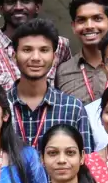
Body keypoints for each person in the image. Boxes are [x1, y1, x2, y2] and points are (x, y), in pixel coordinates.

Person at [7, 18, 94, 153]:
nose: (36, 57)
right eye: (27, 50)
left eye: (44, 50)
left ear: (54, 58)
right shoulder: (0, 106)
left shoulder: (72, 108)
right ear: (14, 56)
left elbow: (86, 159)